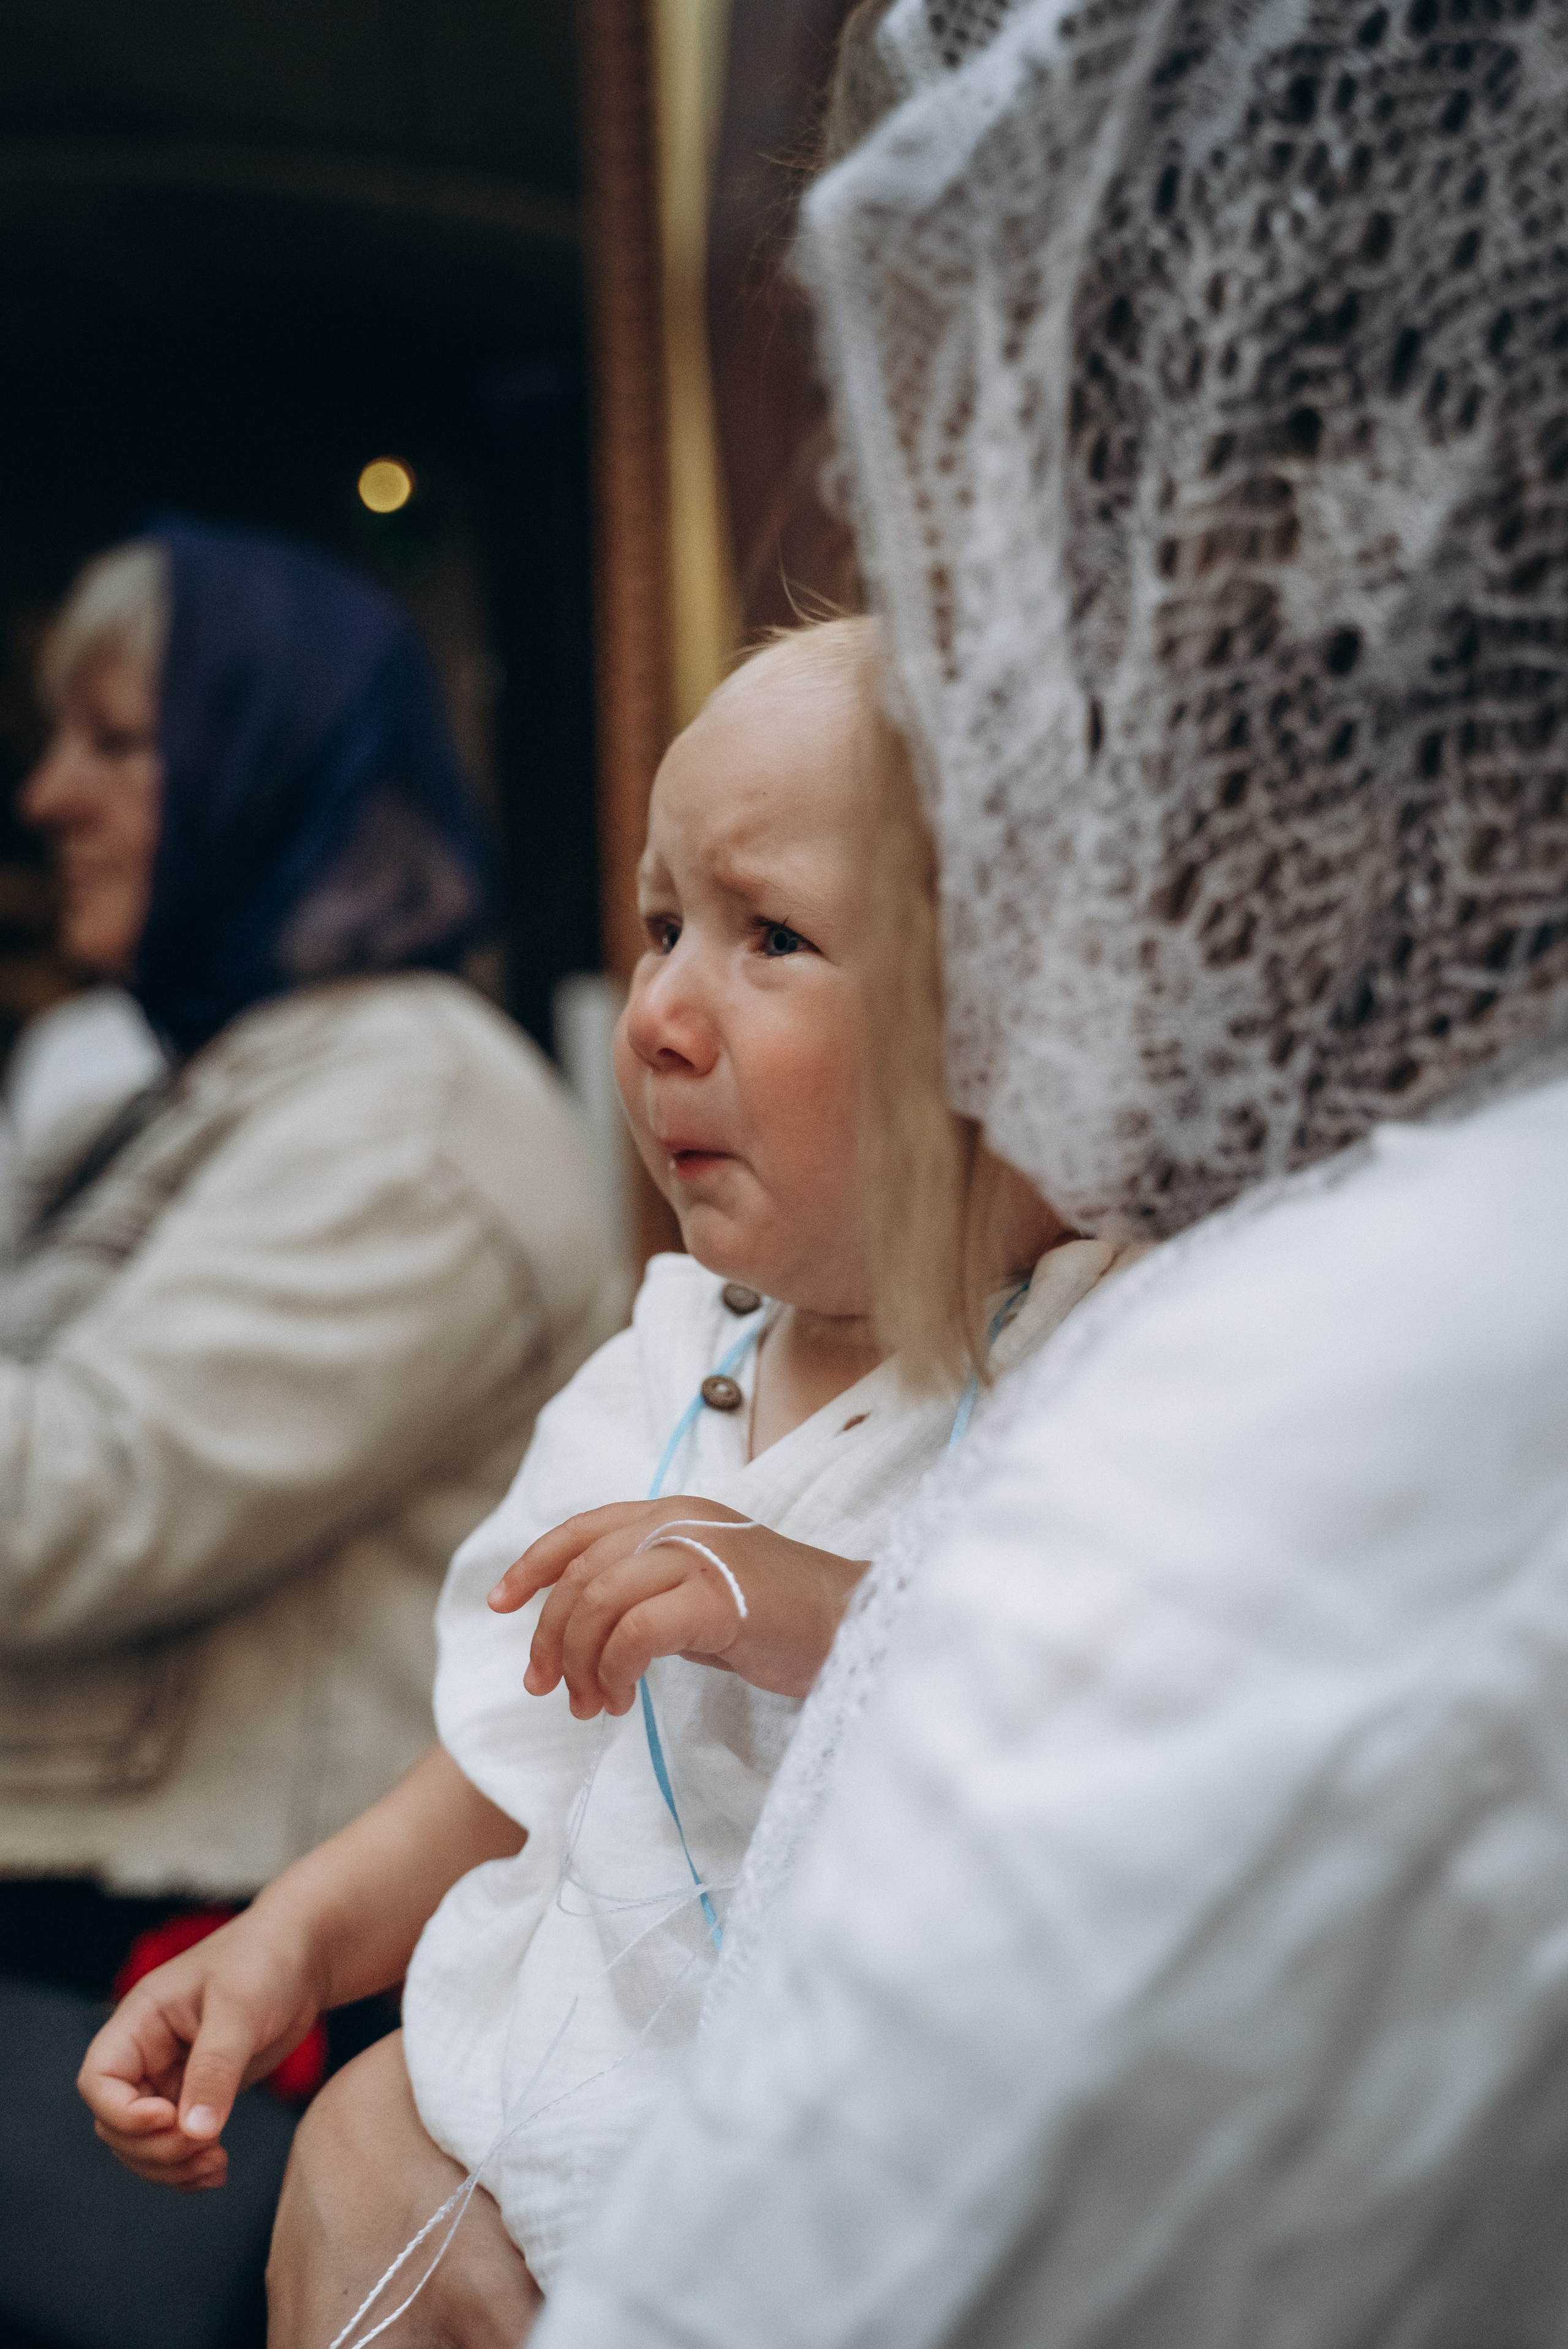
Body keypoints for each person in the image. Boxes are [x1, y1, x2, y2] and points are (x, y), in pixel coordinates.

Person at [505, 1, 1568, 2343]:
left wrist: (454, 2176)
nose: (968, 701)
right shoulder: (1315, 1272)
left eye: (987, 566)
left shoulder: (1330, 1385)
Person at [80, 619, 1131, 2342]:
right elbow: (504, 1774)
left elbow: (1112, 1723)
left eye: (770, 935)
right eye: (659, 928)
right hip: (519, 2160)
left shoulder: (1103, 1369)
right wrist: (284, 1945)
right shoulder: (663, 1365)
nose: (656, 1014)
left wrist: (819, 1615)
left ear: (1025, 1010)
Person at [0, 521, 620, 2349]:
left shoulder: (413, 1101)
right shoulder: (228, 1074)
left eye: (118, 740)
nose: (49, 794)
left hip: (188, 1977)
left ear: (276, 761)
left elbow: (74, 1496)